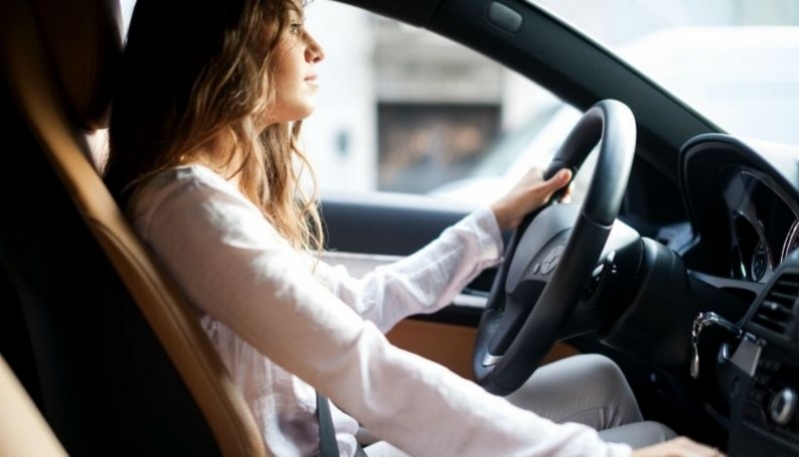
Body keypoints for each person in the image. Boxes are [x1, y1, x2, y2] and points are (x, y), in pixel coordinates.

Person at [103, 0, 725, 456]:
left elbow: (354, 308)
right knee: (654, 441)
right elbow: (359, 366)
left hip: (333, 441)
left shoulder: (206, 198)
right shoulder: (190, 207)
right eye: (293, 25)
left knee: (601, 379)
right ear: (224, 43)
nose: (316, 47)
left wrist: (491, 225)